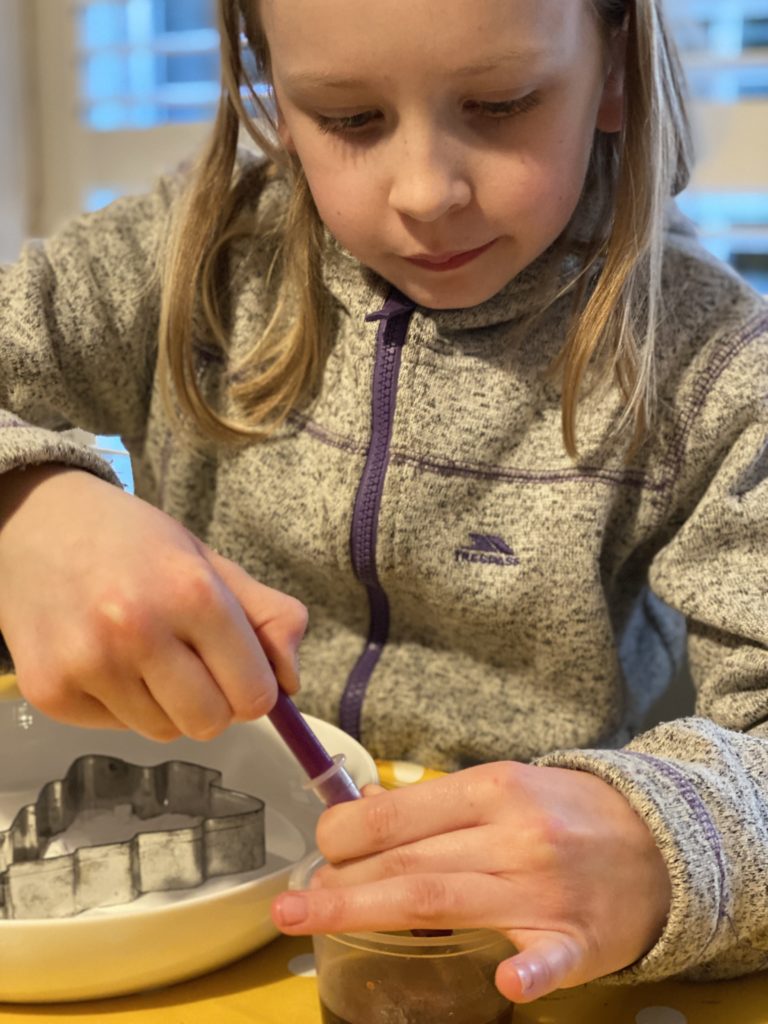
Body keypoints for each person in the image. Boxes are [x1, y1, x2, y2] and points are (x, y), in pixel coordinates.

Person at [0, 0, 766, 1005]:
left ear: (615, 67)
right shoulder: (190, 250)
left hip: (512, 962)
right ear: (262, 77)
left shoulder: (717, 369)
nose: (425, 192)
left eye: (500, 103)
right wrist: (27, 504)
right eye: (349, 119)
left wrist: (667, 850)